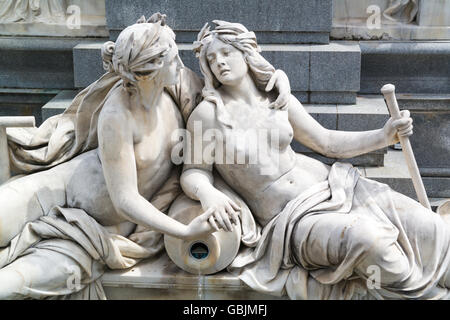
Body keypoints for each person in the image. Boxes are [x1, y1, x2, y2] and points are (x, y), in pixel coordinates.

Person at [0, 14, 290, 299]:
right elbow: (125, 199)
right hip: (52, 190)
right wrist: (184, 230)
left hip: (96, 232)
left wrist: (274, 78)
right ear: (150, 69)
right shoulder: (118, 114)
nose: (181, 63)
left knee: (9, 286)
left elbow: (236, 96)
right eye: (173, 58)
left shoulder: (175, 87)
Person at [180, 20, 450, 300]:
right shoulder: (208, 115)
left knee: (429, 227)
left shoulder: (276, 98)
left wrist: (383, 136)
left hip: (339, 186)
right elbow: (193, 172)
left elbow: (327, 142)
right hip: (294, 219)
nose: (219, 63)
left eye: (226, 53)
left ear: (246, 53)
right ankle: (429, 295)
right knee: (370, 241)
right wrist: (208, 193)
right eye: (211, 59)